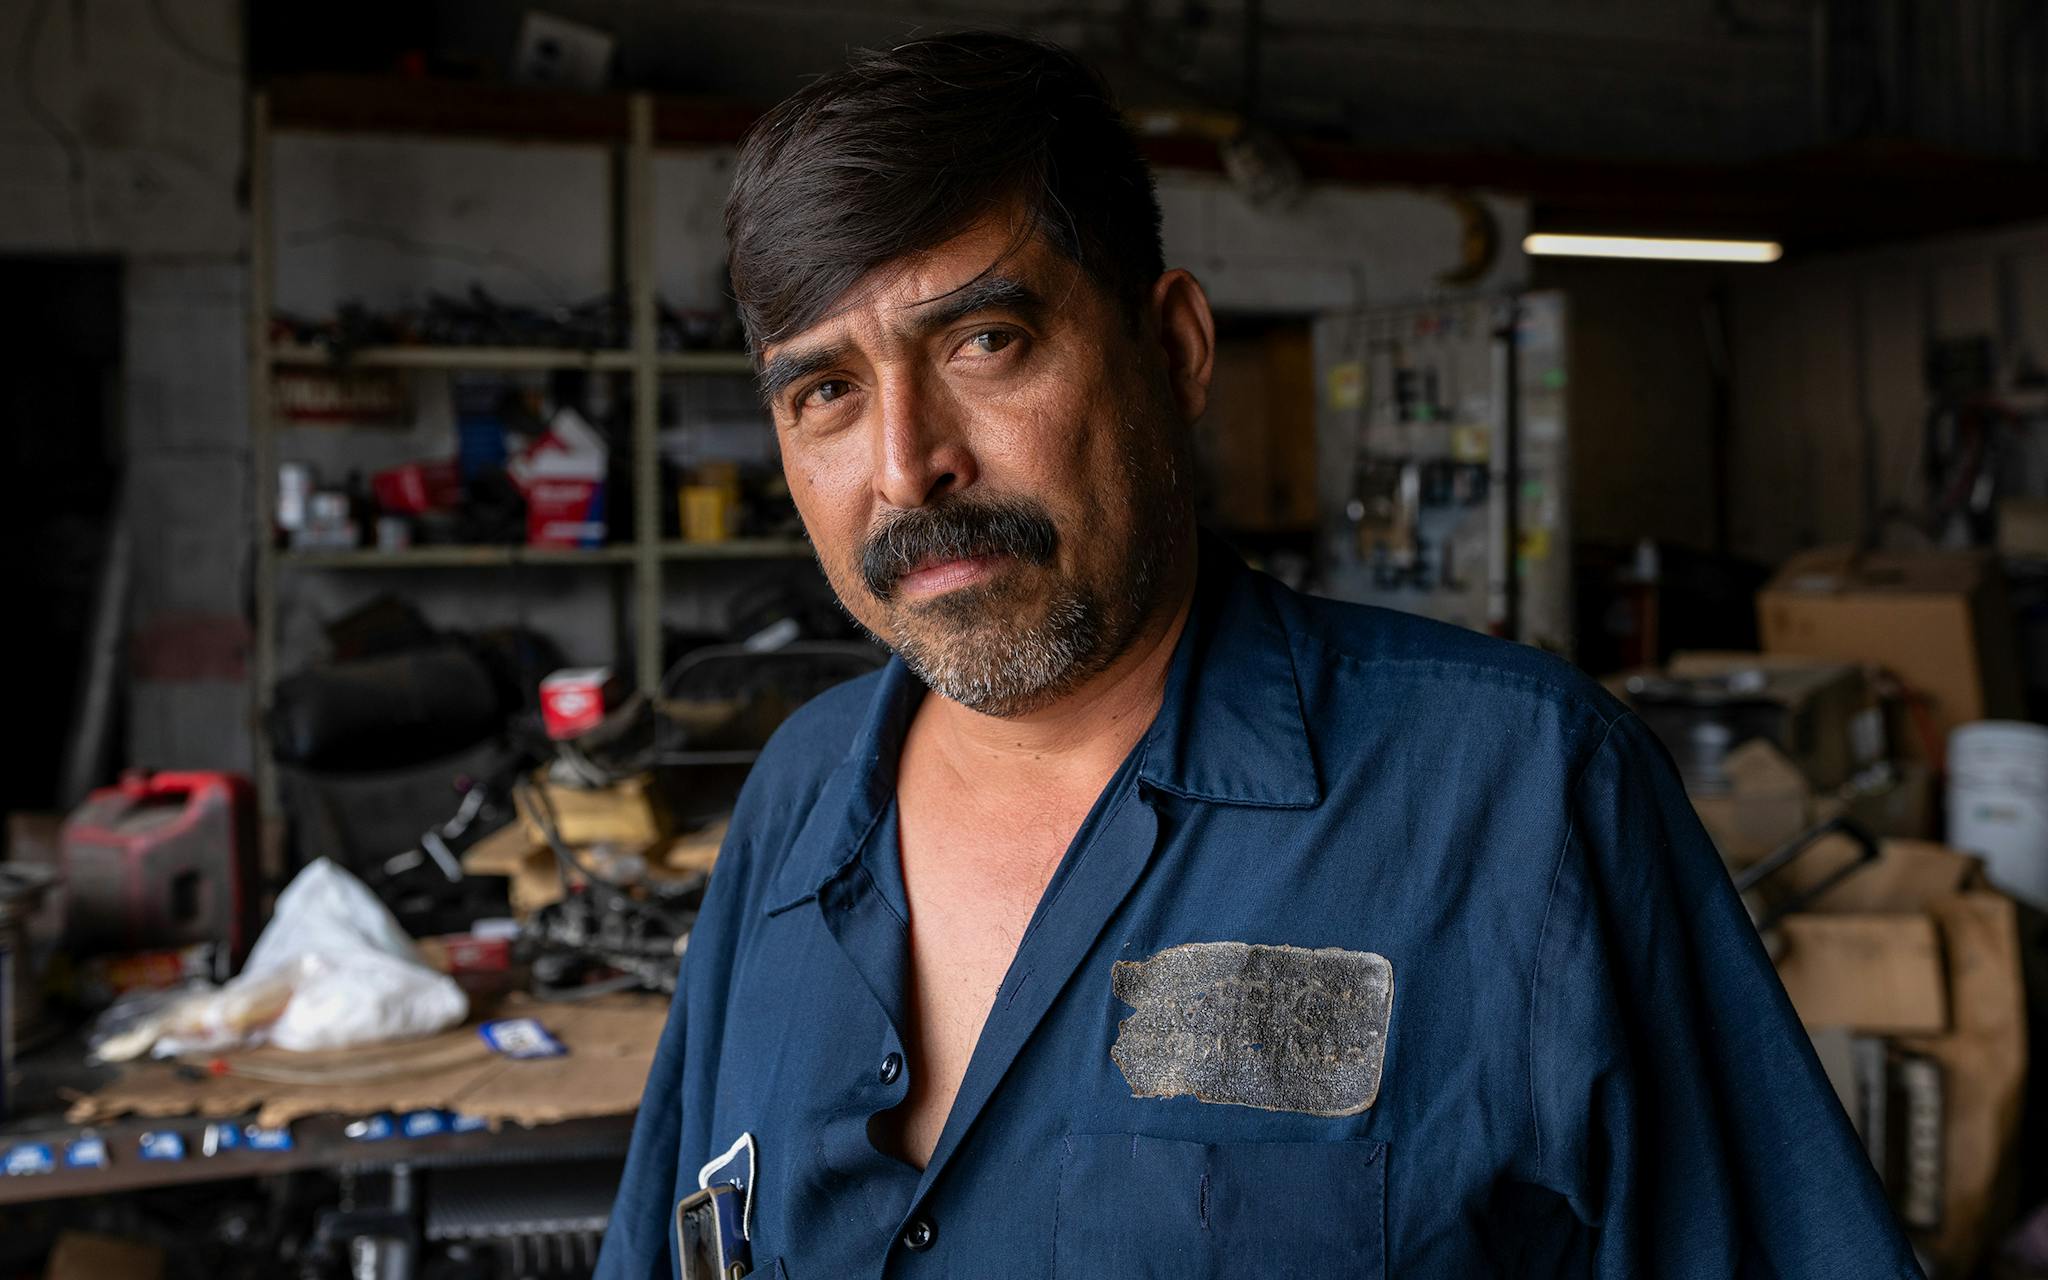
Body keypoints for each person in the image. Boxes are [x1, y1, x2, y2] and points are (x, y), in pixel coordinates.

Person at [595, 31, 1919, 1280]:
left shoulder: (1518, 798)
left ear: (1173, 351)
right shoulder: (798, 801)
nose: (905, 466)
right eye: (824, 391)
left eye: (984, 343)